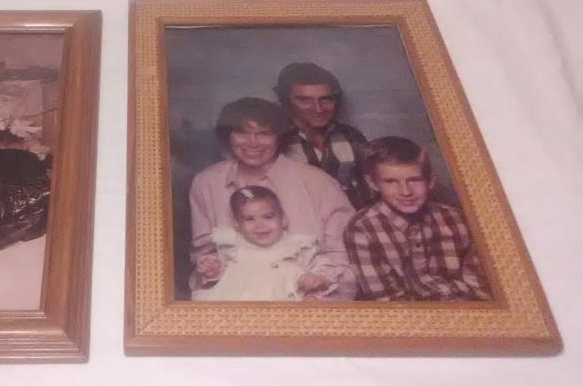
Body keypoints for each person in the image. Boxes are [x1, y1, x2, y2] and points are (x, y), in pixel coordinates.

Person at [189, 97, 357, 300]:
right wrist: (209, 269)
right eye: (241, 132)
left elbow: (343, 259)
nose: (252, 142)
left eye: (264, 133)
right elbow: (203, 254)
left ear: (279, 137)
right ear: (229, 136)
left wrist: (317, 299)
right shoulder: (206, 183)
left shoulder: (318, 183)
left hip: (306, 303)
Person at [344, 136, 491, 301]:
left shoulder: (455, 218)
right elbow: (389, 302)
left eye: (414, 180)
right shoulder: (362, 230)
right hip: (413, 319)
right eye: (391, 181)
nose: (406, 191)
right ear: (373, 183)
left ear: (430, 181)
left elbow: (480, 286)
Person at [192, 186, 341, 301]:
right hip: (237, 309)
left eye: (268, 217)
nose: (260, 225)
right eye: (249, 219)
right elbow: (218, 278)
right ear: (237, 224)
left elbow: (326, 270)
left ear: (283, 219)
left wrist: (318, 279)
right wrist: (212, 270)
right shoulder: (232, 249)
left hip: (282, 309)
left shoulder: (296, 247)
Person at [275, 62, 373, 210]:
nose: (318, 109)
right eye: (305, 100)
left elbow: (375, 185)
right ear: (286, 101)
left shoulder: (351, 136)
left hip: (355, 222)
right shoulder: (274, 143)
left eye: (325, 99)